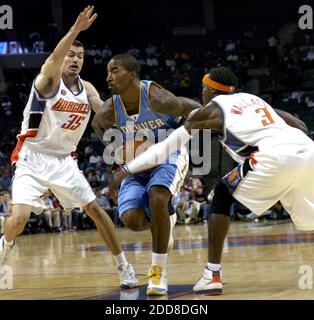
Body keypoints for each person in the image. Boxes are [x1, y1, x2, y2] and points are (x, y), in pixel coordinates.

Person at [112, 66, 314, 295]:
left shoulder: (209, 111)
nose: (202, 94)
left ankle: (212, 275)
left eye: (202, 89)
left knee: (220, 195)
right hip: (306, 150)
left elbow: (163, 150)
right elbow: (301, 126)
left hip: (273, 155)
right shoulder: (253, 99)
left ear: (209, 89)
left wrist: (126, 170)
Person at [0, 6, 138, 289]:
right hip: (32, 156)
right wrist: (75, 29)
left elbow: (103, 113)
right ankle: (6, 242)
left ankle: (124, 267)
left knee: (95, 211)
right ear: (62, 57)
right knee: (20, 219)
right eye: (71, 55)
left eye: (80, 56)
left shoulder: (87, 89)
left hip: (64, 160)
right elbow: (53, 58)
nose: (75, 60)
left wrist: (130, 120)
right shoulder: (48, 80)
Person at [92, 54, 202, 295]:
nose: (108, 77)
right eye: (108, 72)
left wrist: (188, 133)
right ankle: (167, 221)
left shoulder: (157, 98)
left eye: (114, 70)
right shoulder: (110, 109)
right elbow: (97, 125)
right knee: (132, 220)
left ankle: (158, 271)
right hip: (138, 163)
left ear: (132, 75)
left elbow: (193, 107)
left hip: (168, 156)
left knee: (158, 196)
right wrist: (115, 148)